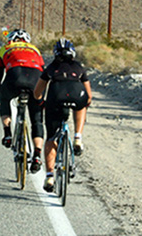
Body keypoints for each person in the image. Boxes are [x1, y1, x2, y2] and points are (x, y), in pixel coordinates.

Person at [33, 38, 92, 193]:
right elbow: (89, 95)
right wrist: (86, 102)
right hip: (77, 98)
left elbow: (37, 92)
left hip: (55, 101)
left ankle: (50, 176)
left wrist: (40, 102)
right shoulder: (79, 68)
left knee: (51, 138)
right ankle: (78, 137)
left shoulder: (51, 68)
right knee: (82, 105)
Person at [0, 29, 45, 173]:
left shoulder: (5, 48)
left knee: (5, 100)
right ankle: (37, 155)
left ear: (11, 40)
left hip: (14, 78)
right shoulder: (35, 49)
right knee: (37, 119)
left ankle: (8, 134)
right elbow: (44, 74)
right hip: (35, 80)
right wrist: (42, 100)